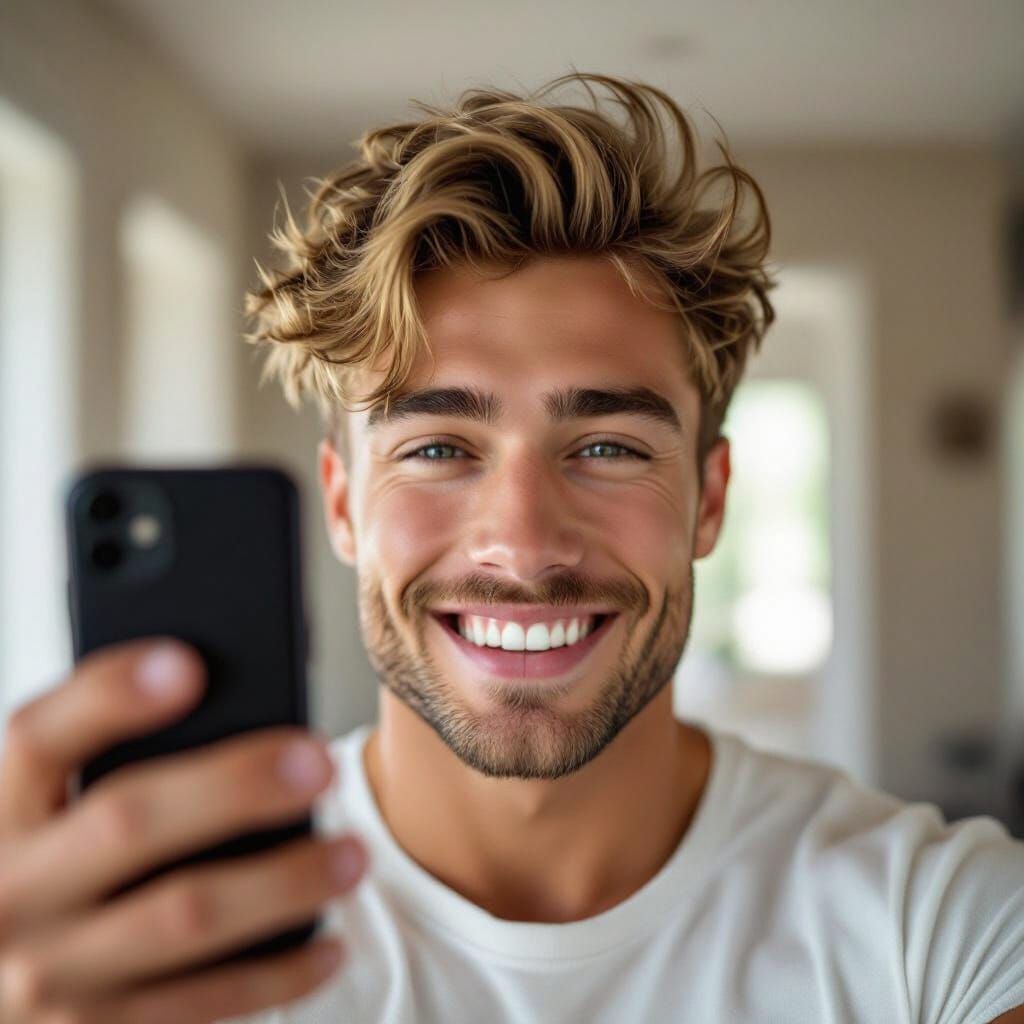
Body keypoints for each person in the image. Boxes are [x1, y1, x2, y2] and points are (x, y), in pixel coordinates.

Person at [1, 72, 1021, 1024]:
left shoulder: (935, 927)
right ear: (345, 505)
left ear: (708, 502)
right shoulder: (149, 947)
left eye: (610, 446)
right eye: (439, 446)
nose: (524, 546)